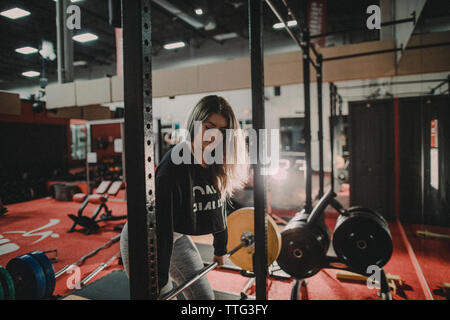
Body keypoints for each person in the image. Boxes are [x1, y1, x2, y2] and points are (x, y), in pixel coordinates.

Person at [120, 95, 248, 299]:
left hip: (175, 237)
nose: (215, 137)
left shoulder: (216, 162)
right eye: (209, 127)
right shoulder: (173, 167)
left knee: (204, 298)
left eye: (223, 131)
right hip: (145, 238)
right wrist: (160, 282)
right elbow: (161, 230)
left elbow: (219, 205)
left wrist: (220, 248)